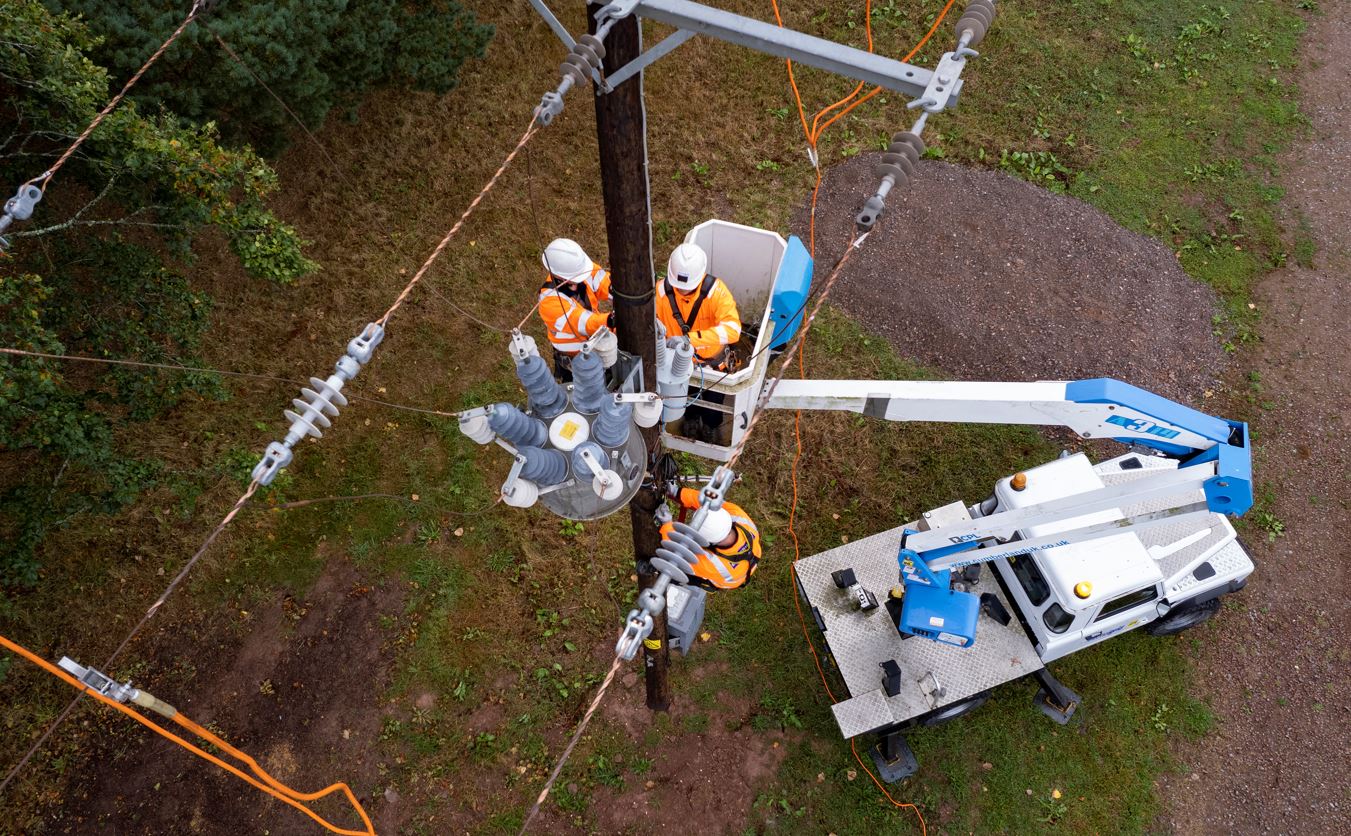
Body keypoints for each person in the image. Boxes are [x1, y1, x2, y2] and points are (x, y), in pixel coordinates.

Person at [655, 243, 741, 439]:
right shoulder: (660, 293)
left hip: (712, 364)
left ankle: (711, 425)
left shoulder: (716, 293)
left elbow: (733, 330)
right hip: (679, 364)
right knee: (688, 395)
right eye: (678, 286)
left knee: (713, 399)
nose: (682, 291)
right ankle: (691, 419)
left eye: (687, 287)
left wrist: (689, 340)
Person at [658, 485, 762, 591]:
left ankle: (659, 574)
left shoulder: (716, 566)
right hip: (751, 556)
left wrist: (666, 524)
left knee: (682, 572)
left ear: (706, 541)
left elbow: (680, 554)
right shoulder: (738, 516)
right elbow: (708, 503)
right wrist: (677, 492)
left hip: (729, 579)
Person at [537, 238, 612, 382]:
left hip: (596, 346)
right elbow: (584, 323)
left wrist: (617, 291)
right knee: (583, 396)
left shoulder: (582, 270)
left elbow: (603, 282)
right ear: (561, 276)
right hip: (575, 359)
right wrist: (609, 321)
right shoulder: (549, 302)